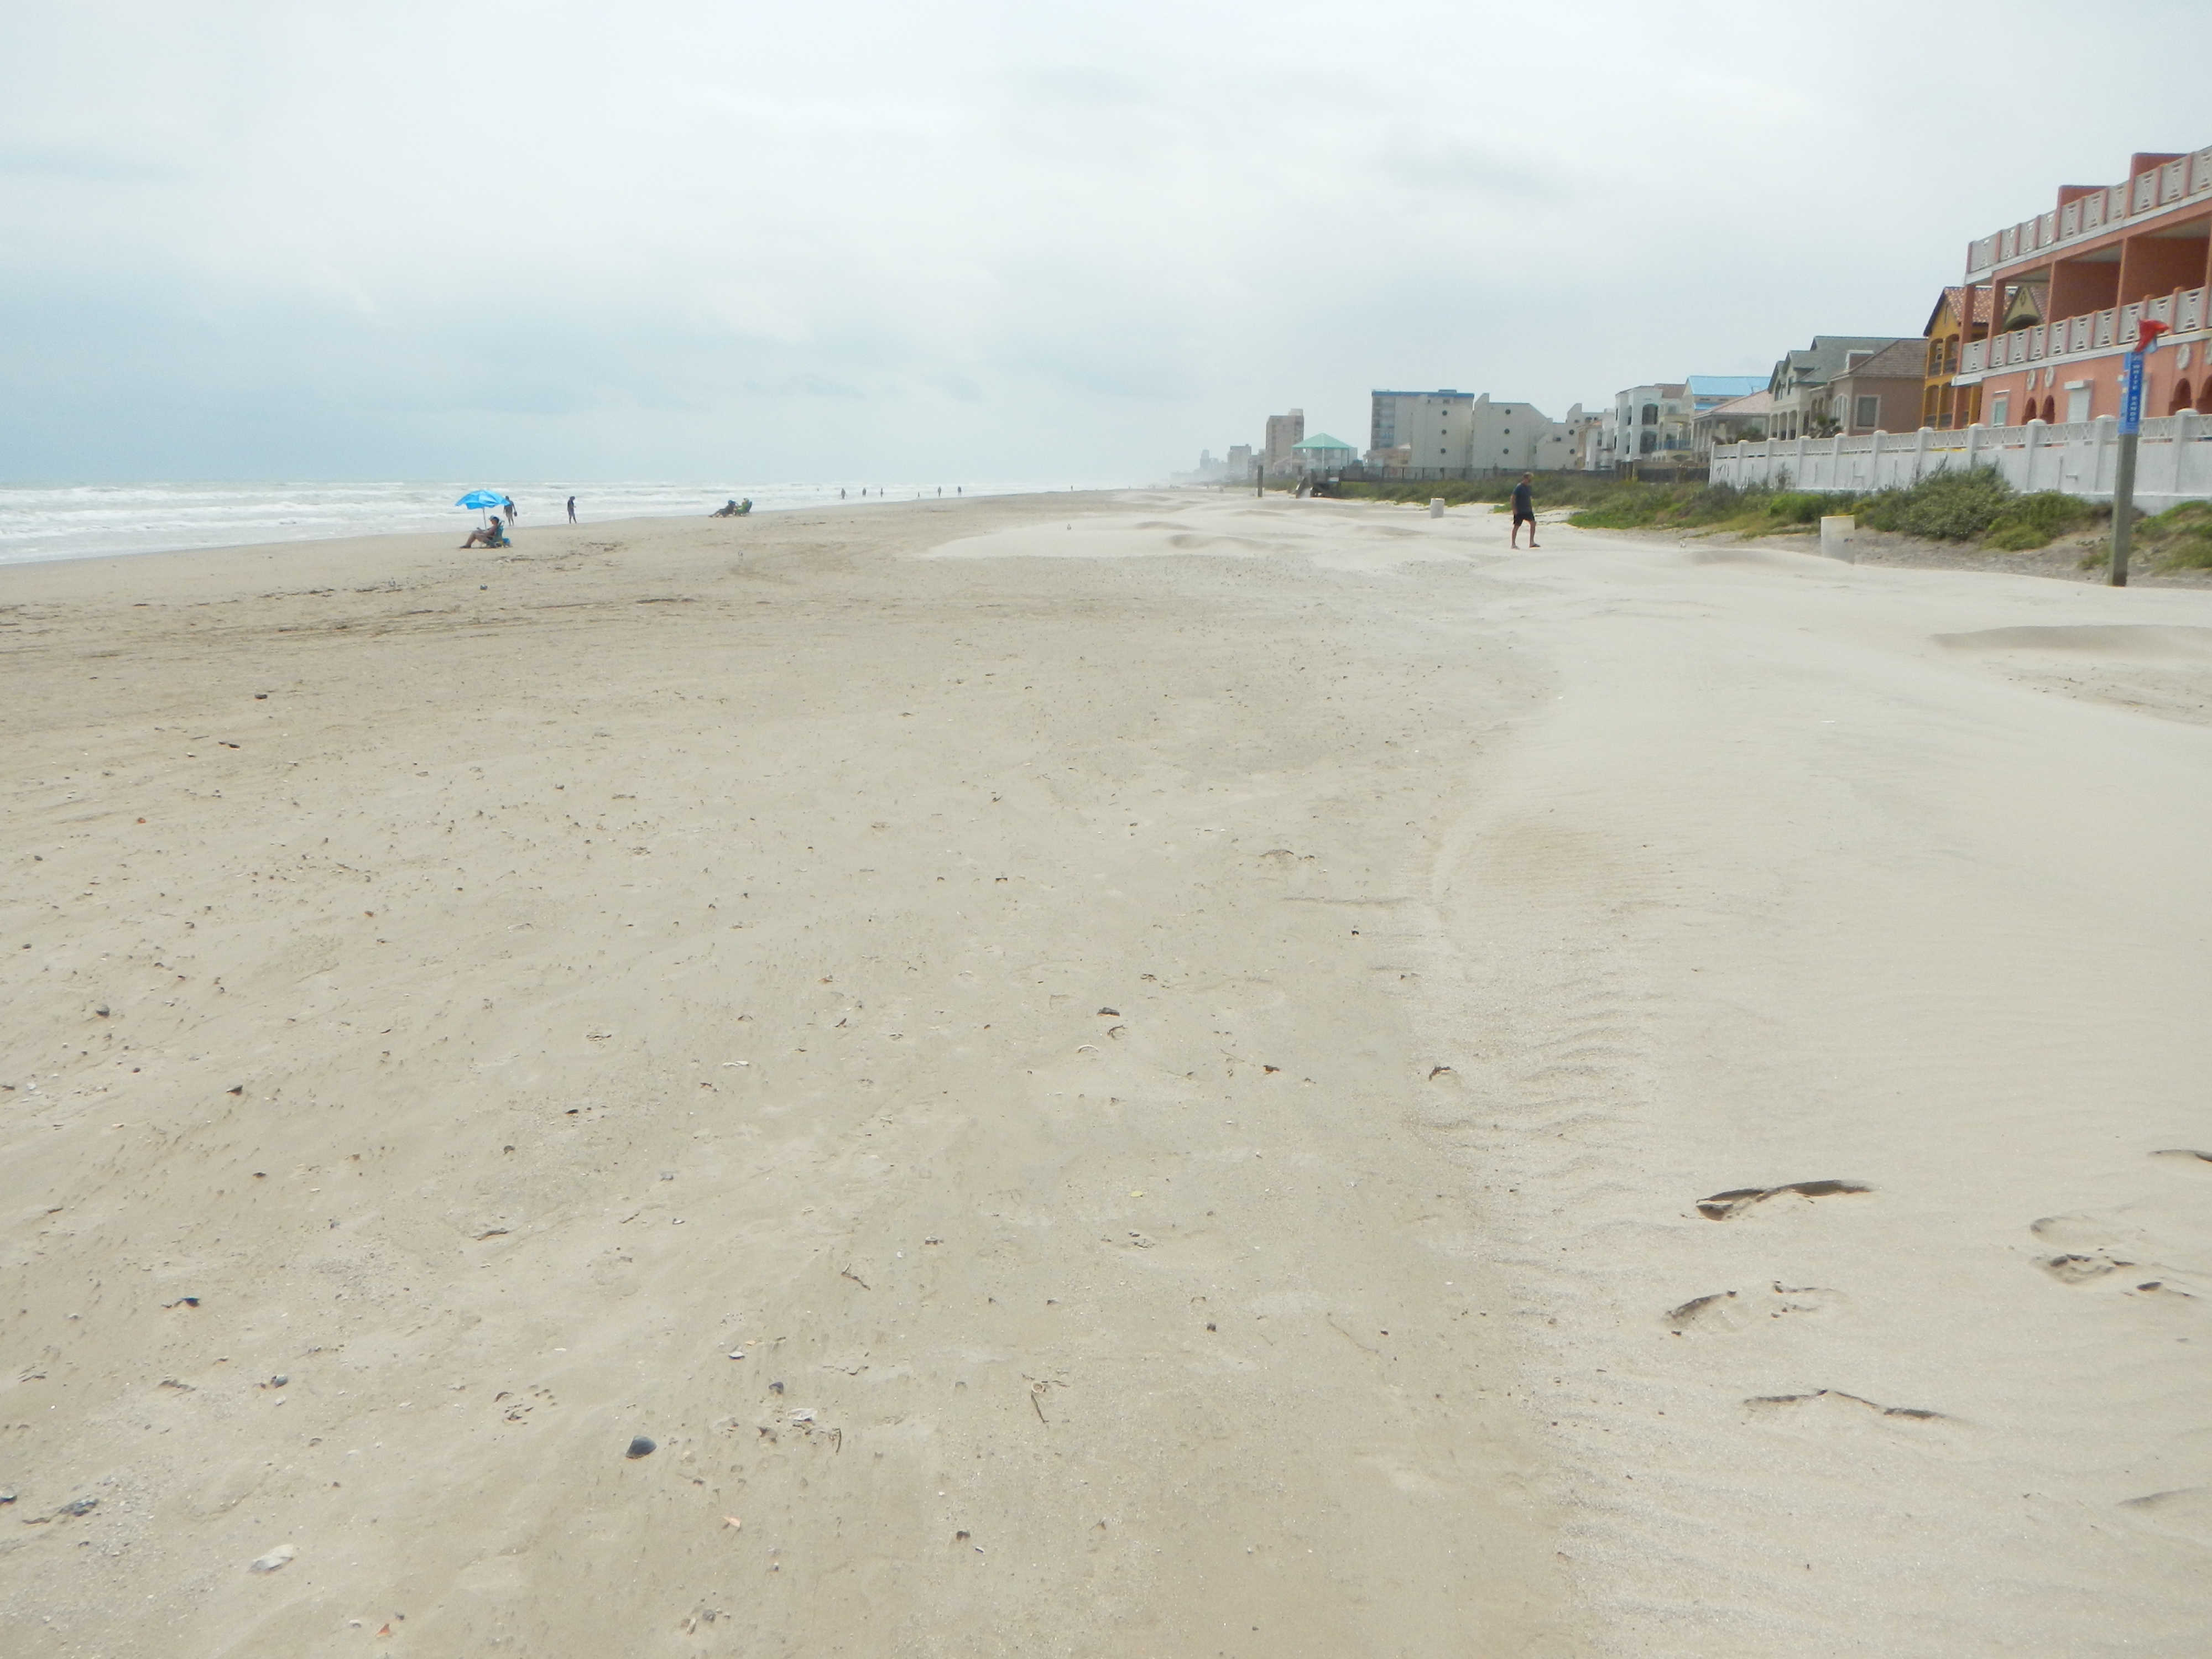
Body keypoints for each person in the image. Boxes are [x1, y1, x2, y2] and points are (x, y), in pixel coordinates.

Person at [1510, 473, 1538, 548]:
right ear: (1525, 479)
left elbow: (1529, 498)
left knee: (1533, 523)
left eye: (1531, 480)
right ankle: (1513, 544)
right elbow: (1513, 498)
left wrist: (1531, 507)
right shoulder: (1519, 487)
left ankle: (1532, 542)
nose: (1530, 482)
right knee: (1517, 526)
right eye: (1529, 480)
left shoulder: (1529, 488)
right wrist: (1514, 509)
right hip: (1519, 510)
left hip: (1527, 510)